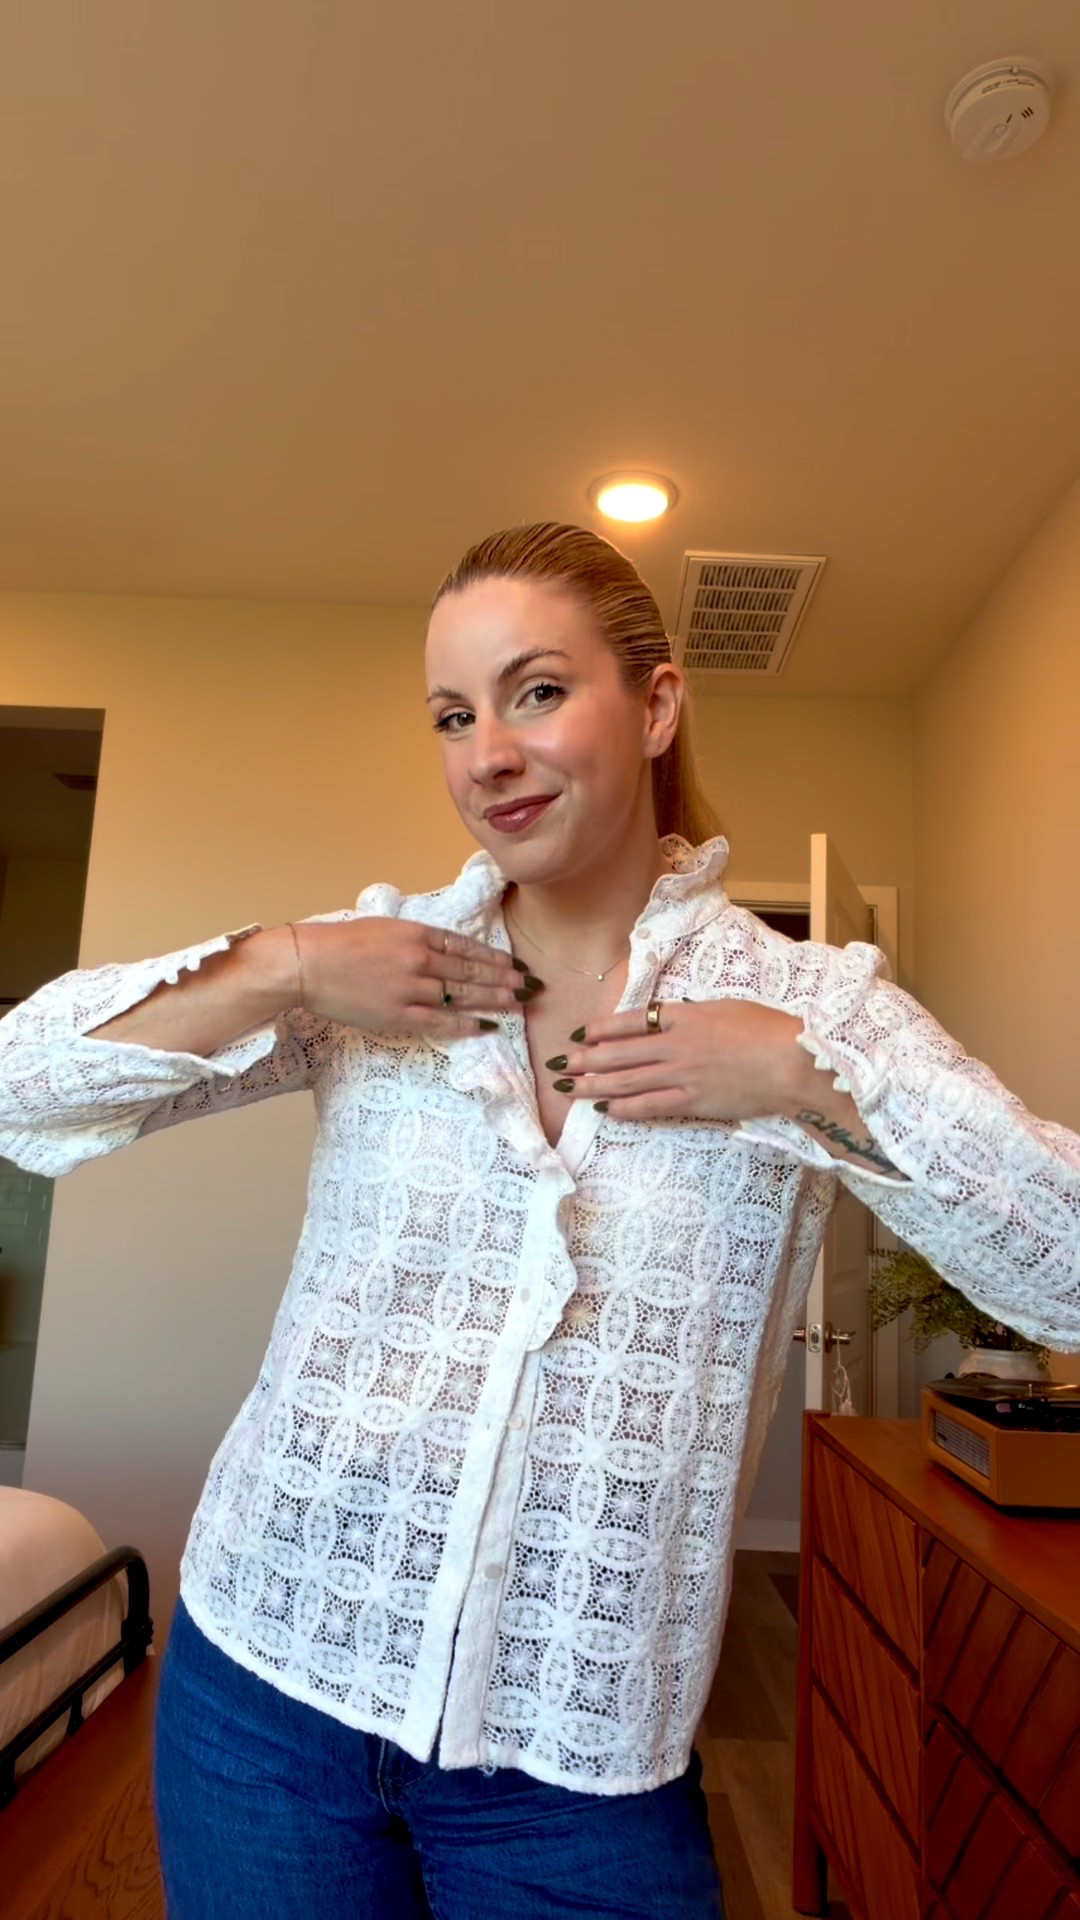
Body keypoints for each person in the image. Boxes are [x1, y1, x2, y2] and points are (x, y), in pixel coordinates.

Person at [1, 522, 1077, 1919]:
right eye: (453, 716)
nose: (486, 754)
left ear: (659, 703)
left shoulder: (814, 1007)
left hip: (578, 1771)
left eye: (537, 692)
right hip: (265, 1687)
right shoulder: (378, 968)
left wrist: (804, 1081)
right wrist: (287, 964)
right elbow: (26, 1086)